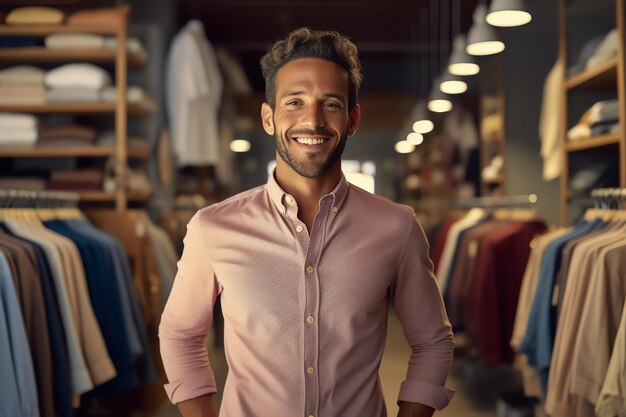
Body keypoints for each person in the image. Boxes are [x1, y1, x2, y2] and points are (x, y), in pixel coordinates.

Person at [159, 27, 455, 417]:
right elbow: (181, 335)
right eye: (294, 102)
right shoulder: (212, 228)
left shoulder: (397, 228)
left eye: (330, 104)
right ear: (268, 118)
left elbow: (432, 340)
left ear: (352, 120)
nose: (312, 121)